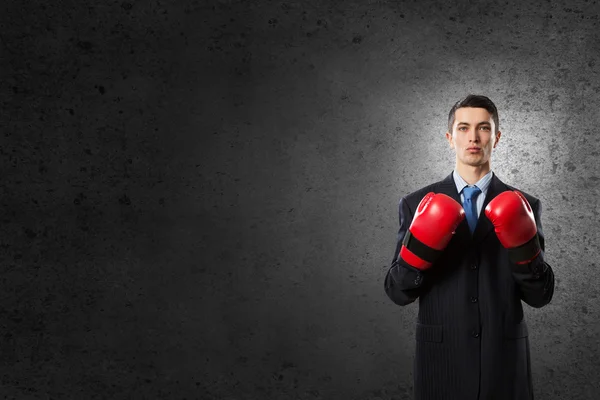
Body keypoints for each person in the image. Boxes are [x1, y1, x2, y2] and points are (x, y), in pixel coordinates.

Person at [383, 94, 555, 400]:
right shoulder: (415, 203)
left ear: (497, 138)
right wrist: (419, 253)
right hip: (441, 359)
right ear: (450, 138)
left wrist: (524, 251)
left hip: (503, 358)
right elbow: (398, 293)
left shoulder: (526, 204)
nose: (473, 137)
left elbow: (539, 296)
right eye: (463, 128)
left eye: (483, 128)